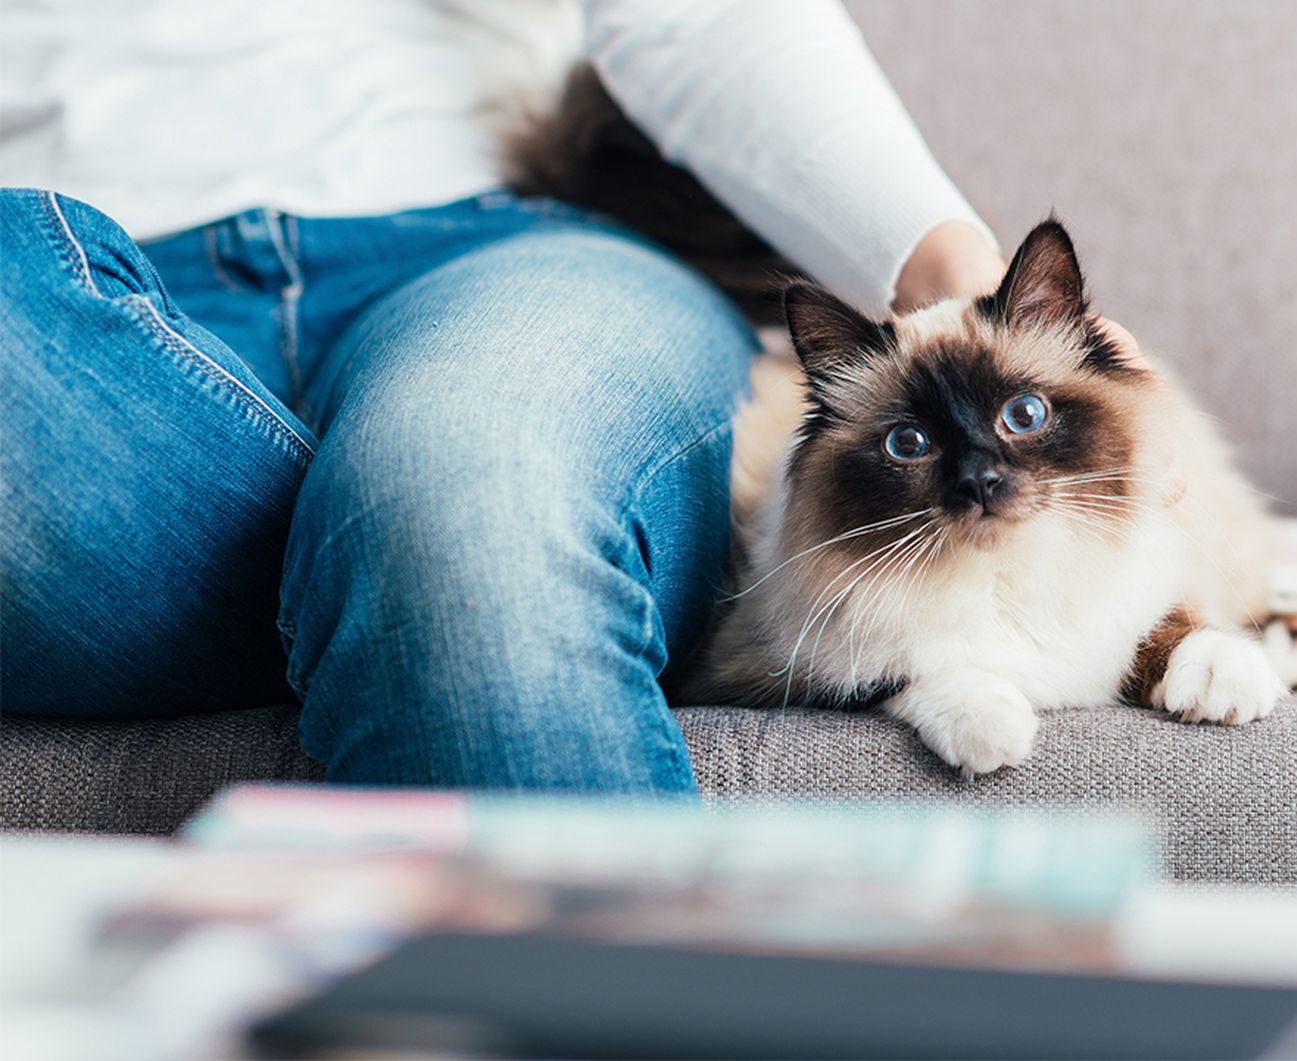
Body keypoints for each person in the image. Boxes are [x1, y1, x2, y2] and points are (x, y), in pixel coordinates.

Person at [0, 0, 1009, 793]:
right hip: (54, 329)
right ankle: (382, 605)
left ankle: (407, 594)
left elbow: (695, 15)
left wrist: (961, 291)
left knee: (472, 492)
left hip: (497, 247)